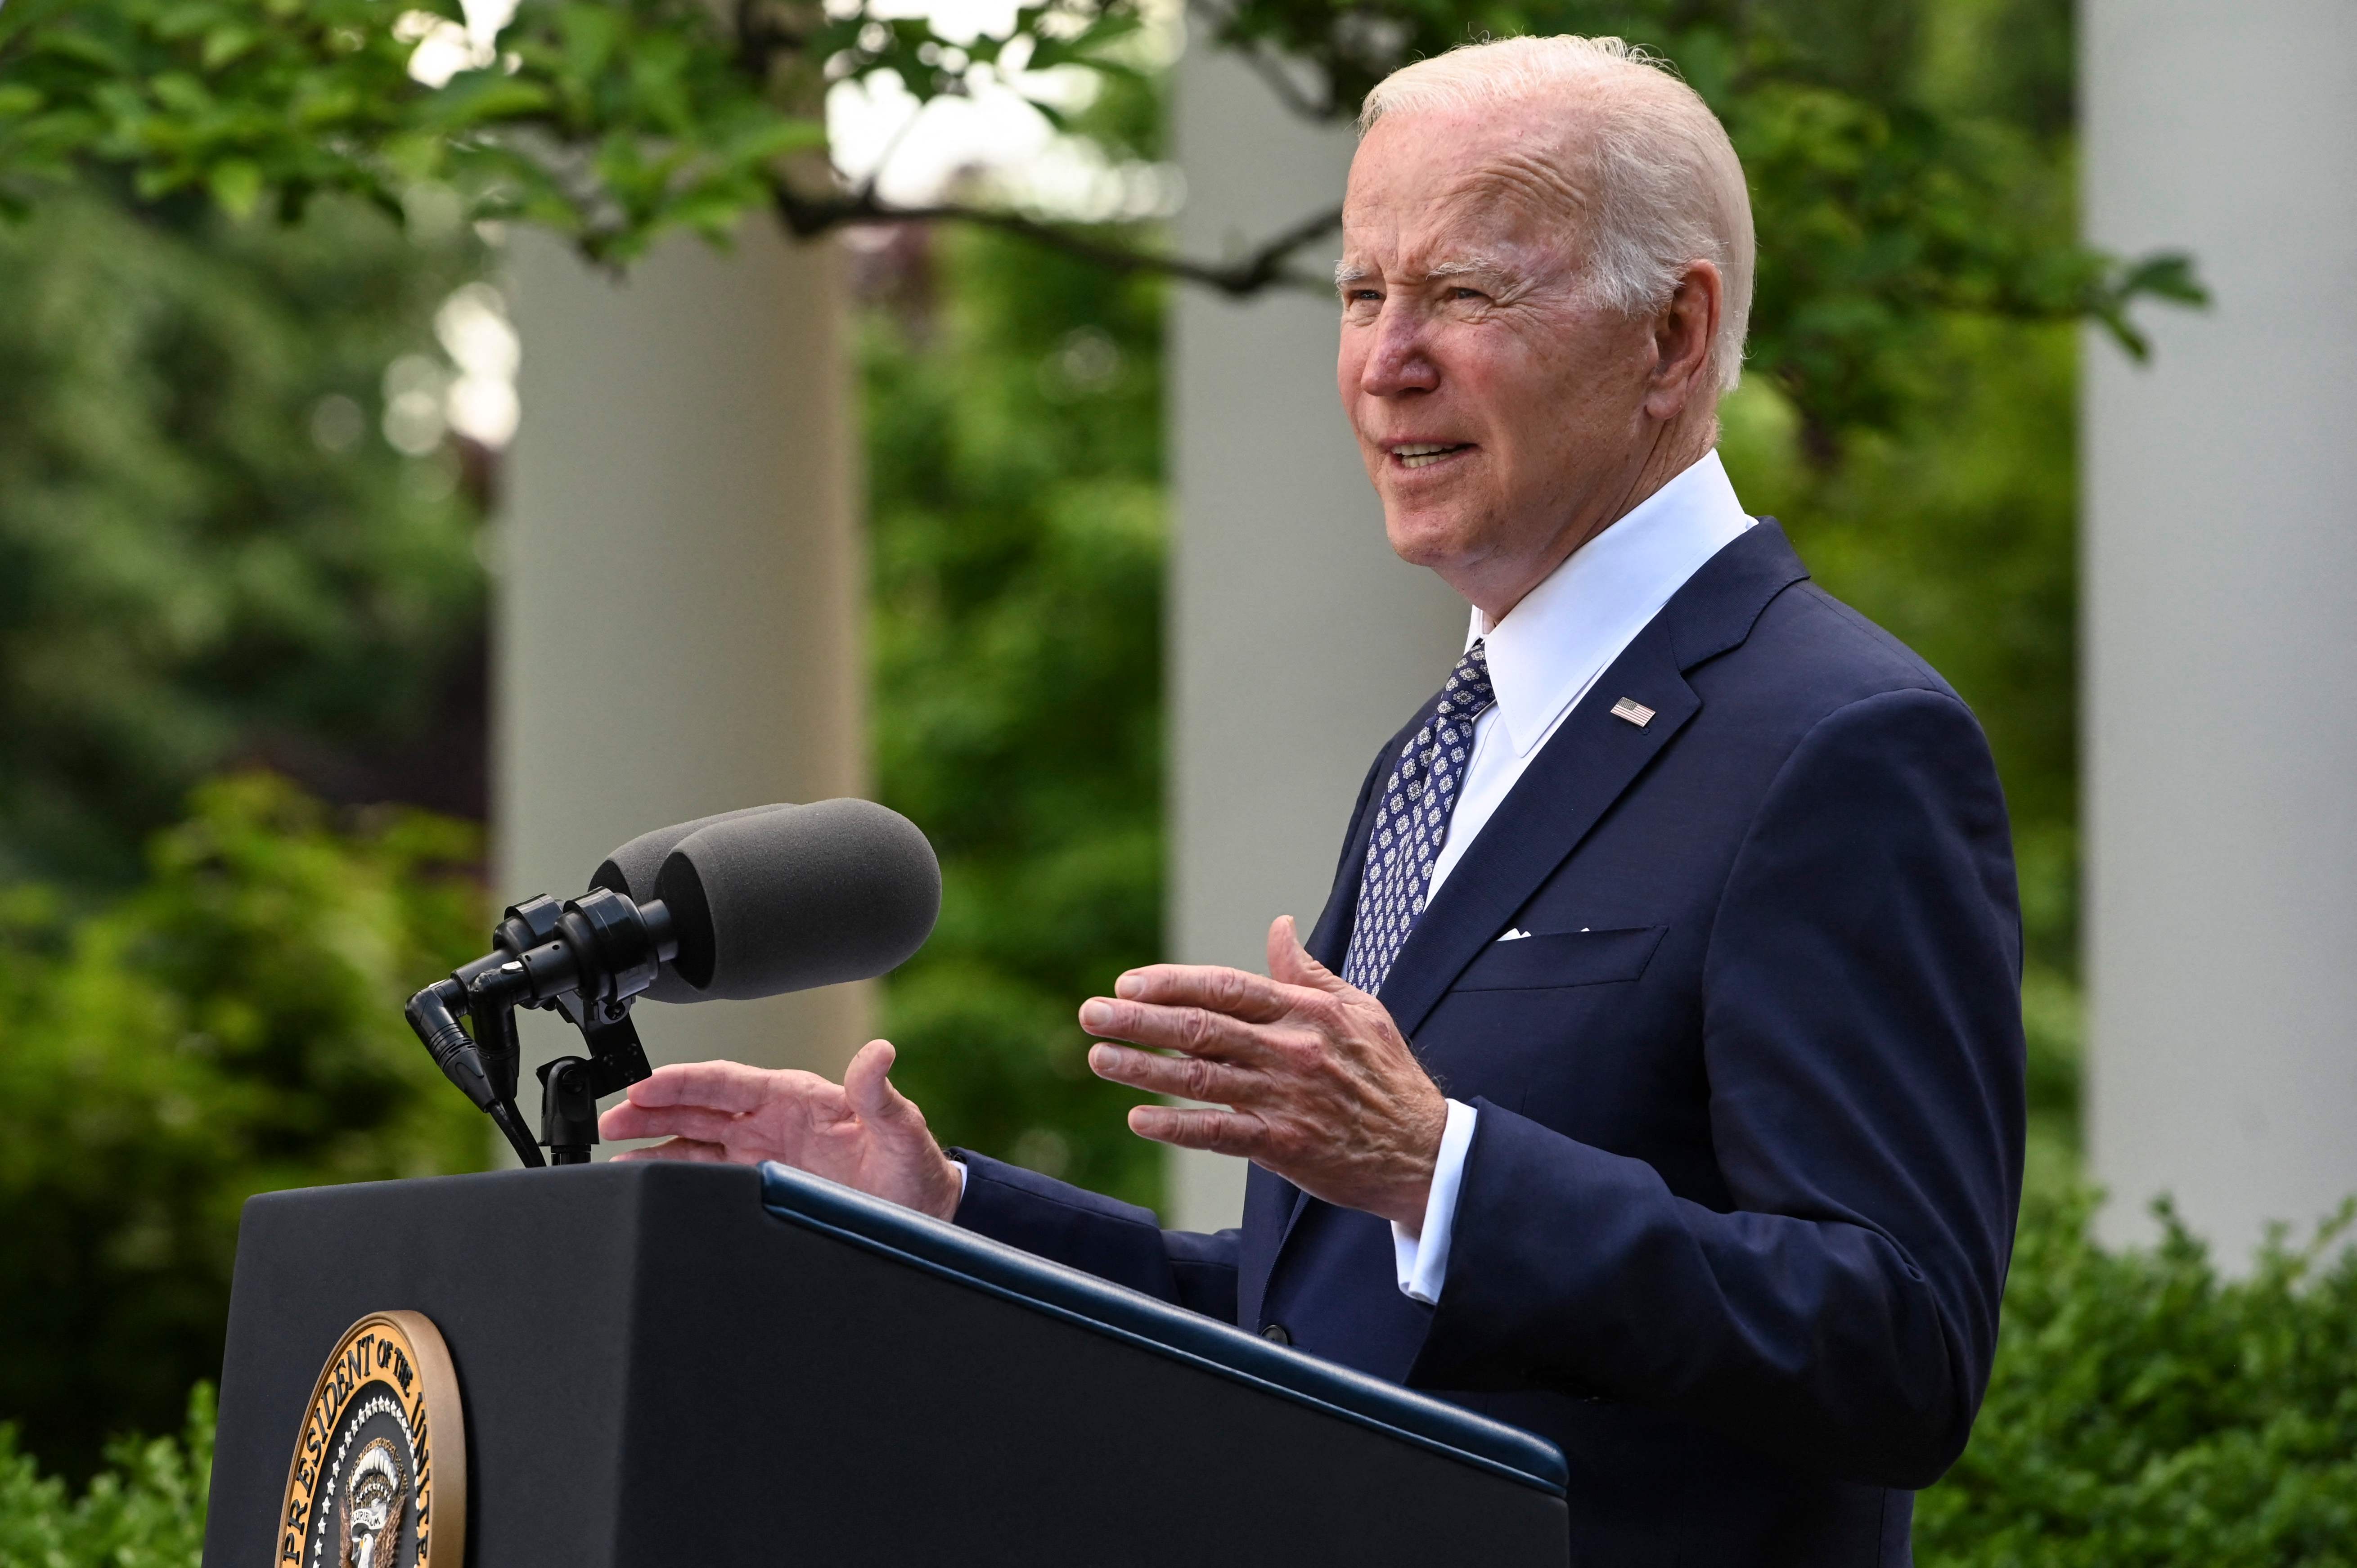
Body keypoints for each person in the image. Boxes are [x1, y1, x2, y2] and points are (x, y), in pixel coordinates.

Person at [602, 34, 2025, 1567]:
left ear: (1673, 338)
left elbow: (1901, 1345)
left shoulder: (1843, 741)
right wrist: (945, 1209)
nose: (1385, 359)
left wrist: (1440, 1166)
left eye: (1466, 292)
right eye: (1361, 293)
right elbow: (1318, 1327)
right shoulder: (1443, 748)